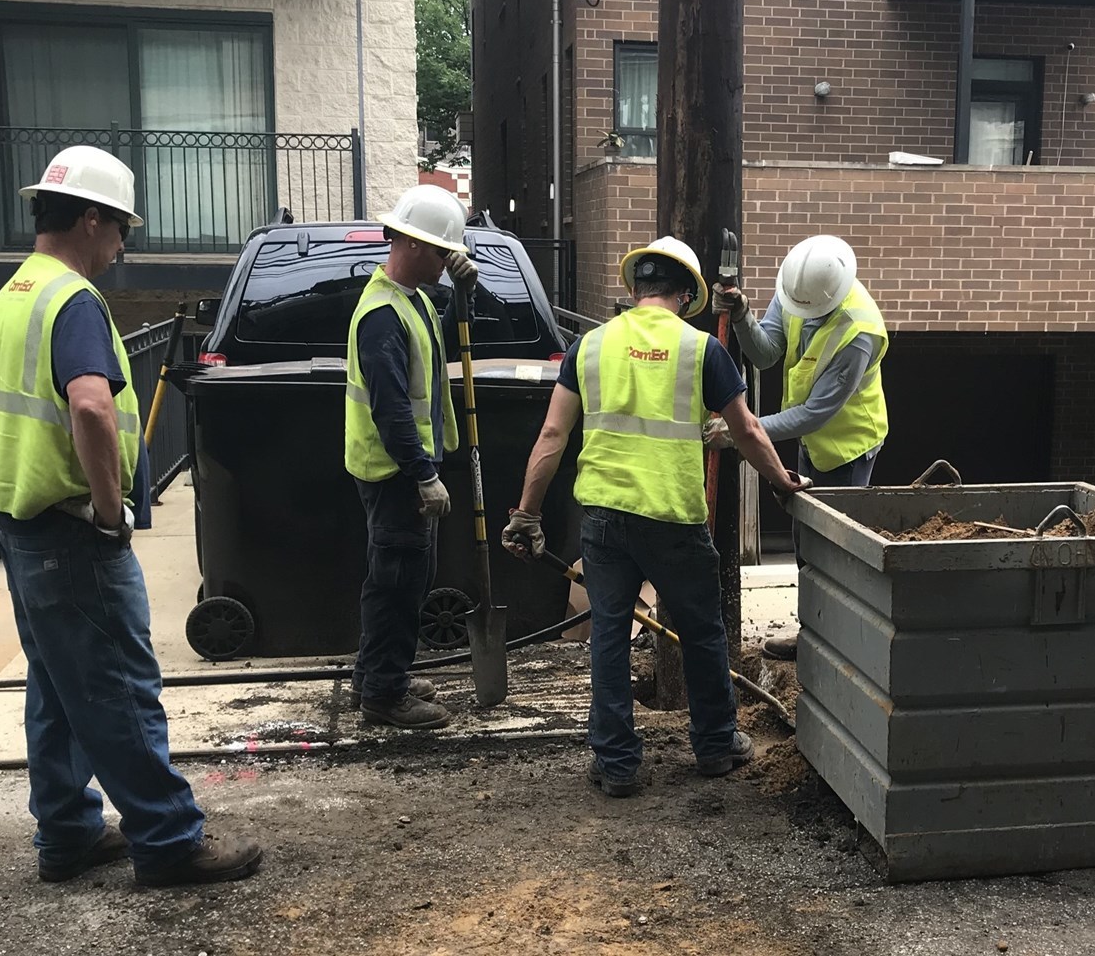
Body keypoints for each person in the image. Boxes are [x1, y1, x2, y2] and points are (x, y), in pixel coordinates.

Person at [0, 146, 262, 886]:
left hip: (21, 523)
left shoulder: (15, 293)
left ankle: (67, 833)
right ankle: (167, 841)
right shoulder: (71, 299)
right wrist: (108, 509)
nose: (123, 247)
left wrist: (33, 455)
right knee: (119, 688)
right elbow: (93, 406)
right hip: (74, 531)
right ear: (92, 220)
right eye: (121, 229)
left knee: (57, 684)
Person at [501, 237, 810, 797]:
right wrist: (781, 483)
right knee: (703, 633)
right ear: (687, 294)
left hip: (604, 518)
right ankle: (716, 745)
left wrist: (526, 512)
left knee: (610, 637)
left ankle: (617, 765)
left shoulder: (589, 347)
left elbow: (552, 434)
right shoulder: (700, 350)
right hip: (673, 518)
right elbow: (747, 429)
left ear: (634, 289)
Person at [707, 235, 888, 660]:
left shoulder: (858, 332)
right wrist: (741, 316)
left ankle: (836, 644)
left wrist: (739, 430)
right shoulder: (797, 290)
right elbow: (766, 353)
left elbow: (814, 413)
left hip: (847, 449)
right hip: (812, 442)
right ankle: (813, 634)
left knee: (837, 552)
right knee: (806, 545)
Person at [344, 184, 475, 730]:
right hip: (397, 474)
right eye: (446, 251)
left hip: (403, 471)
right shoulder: (381, 316)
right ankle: (384, 695)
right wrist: (424, 476)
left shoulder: (413, 300)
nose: (451, 261)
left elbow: (442, 347)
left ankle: (378, 673)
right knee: (398, 584)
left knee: (398, 580)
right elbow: (392, 408)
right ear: (418, 246)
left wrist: (464, 297)